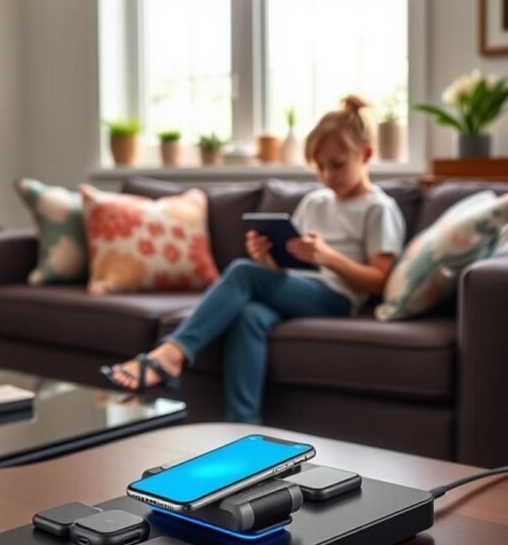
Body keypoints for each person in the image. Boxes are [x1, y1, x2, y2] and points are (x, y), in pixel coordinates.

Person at [104, 95, 405, 422]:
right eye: (320, 166)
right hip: (298, 289)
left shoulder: (379, 208)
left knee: (243, 272)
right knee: (249, 316)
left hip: (337, 299)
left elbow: (379, 281)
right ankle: (243, 426)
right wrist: (267, 259)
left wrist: (329, 257)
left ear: (366, 155)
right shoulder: (315, 202)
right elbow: (287, 269)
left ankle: (171, 354)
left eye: (337, 164)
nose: (327, 174)